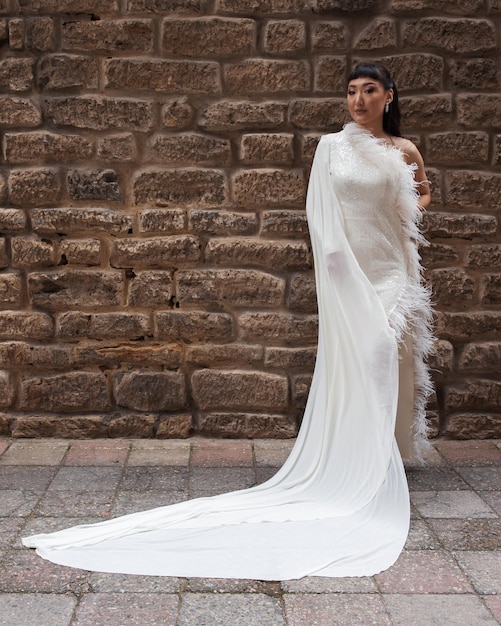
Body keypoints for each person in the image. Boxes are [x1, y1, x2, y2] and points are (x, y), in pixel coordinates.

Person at [23, 62, 433, 580]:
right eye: (351, 91)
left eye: (369, 91)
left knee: (383, 353)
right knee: (360, 356)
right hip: (348, 268)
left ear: (388, 97)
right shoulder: (332, 147)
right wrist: (333, 260)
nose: (357, 100)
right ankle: (359, 457)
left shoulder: (404, 151)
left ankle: (386, 454)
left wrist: (410, 207)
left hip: (391, 266)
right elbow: (318, 209)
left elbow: (422, 193)